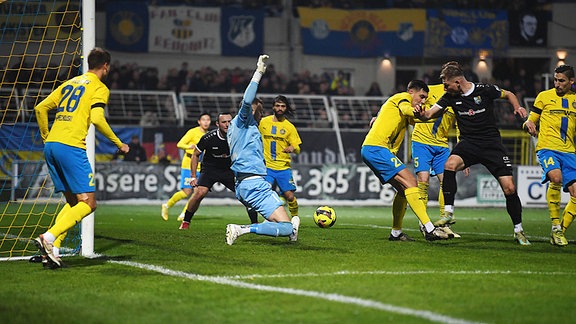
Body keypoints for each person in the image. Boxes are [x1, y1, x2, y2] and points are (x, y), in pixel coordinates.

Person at [33, 47, 129, 268]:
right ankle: (48, 238)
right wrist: (119, 143)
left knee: (73, 201)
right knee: (89, 203)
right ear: (106, 66)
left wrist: (47, 137)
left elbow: (40, 108)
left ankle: (53, 249)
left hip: (52, 147)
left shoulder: (70, 83)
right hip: (71, 147)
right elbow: (97, 119)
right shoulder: (99, 87)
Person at [414, 61, 530, 245]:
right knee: (449, 165)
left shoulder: (484, 90)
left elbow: (508, 93)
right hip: (469, 144)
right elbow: (428, 115)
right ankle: (448, 214)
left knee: (509, 188)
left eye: (446, 84)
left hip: (491, 144)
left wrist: (517, 107)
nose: (444, 88)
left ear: (458, 82)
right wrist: (419, 113)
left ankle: (519, 230)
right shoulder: (450, 96)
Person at [361, 80, 452, 242]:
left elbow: (423, 119)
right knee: (412, 182)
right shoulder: (402, 97)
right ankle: (429, 229)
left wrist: (441, 111)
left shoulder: (398, 108)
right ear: (411, 91)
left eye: (425, 98)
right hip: (376, 148)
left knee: (403, 190)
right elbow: (406, 108)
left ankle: (396, 233)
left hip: (375, 150)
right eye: (421, 96)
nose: (423, 101)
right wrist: (414, 109)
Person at [225, 54, 300, 245]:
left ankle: (283, 229)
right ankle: (242, 229)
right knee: (286, 226)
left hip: (245, 184)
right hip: (253, 184)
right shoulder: (243, 121)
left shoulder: (236, 128)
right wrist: (259, 72)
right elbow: (248, 100)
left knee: (279, 221)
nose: (263, 114)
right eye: (261, 110)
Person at [523, 64, 576, 246]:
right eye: (555, 80)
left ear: (571, 81)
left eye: (561, 81)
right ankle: (555, 226)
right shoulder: (544, 97)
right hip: (547, 148)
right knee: (555, 177)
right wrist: (528, 125)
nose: (557, 84)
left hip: (569, 150)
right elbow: (531, 120)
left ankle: (560, 231)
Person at [179, 112, 258, 230]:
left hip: (229, 170)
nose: (227, 125)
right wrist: (193, 176)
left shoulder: (238, 137)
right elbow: (195, 154)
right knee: (199, 193)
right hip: (210, 169)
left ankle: (255, 224)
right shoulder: (208, 138)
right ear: (217, 124)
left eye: (229, 122)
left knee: (245, 195)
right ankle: (186, 221)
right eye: (224, 122)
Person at [410, 82, 462, 237]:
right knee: (423, 180)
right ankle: (423, 222)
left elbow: (460, 126)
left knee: (446, 181)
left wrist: (463, 152)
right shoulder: (429, 90)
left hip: (442, 146)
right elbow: (405, 100)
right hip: (421, 142)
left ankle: (444, 223)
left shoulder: (458, 98)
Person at [259, 95, 302, 221]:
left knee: (289, 196)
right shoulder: (263, 122)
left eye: (283, 106)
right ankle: (268, 218)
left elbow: (298, 148)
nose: (280, 108)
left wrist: (292, 148)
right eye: (277, 106)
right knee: (264, 193)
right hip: (266, 167)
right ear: (273, 107)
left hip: (283, 168)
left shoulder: (289, 127)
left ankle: (295, 219)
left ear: (286, 108)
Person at [161, 113, 211, 221]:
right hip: (188, 166)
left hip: (200, 167)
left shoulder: (209, 135)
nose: (206, 122)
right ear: (199, 121)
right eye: (204, 120)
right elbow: (179, 144)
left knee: (197, 193)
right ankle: (166, 205)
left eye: (208, 120)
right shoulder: (193, 132)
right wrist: (189, 146)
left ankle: (184, 214)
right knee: (186, 192)